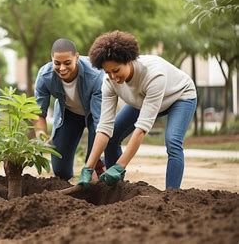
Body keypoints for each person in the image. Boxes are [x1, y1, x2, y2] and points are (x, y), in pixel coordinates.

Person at [78, 31, 197, 189]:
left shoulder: (154, 75)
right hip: (142, 101)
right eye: (108, 72)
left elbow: (141, 128)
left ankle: (172, 194)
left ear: (129, 61)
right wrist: (89, 166)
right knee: (112, 138)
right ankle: (116, 189)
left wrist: (120, 166)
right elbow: (104, 127)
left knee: (172, 142)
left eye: (116, 70)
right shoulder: (108, 82)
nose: (113, 77)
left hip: (179, 97)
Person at [34, 38, 105, 181]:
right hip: (69, 115)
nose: (62, 68)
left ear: (77, 57)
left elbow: (100, 121)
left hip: (94, 116)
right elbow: (38, 112)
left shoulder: (96, 75)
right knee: (61, 172)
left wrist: (91, 164)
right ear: (51, 59)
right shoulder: (45, 76)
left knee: (94, 166)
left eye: (67, 63)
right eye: (57, 63)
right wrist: (41, 133)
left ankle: (104, 166)